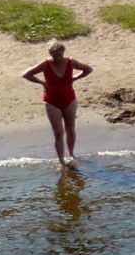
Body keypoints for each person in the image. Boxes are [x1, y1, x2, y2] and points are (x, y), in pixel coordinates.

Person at [23, 40, 92, 171]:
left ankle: (71, 154)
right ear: (50, 54)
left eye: (59, 55)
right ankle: (61, 161)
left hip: (69, 99)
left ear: (63, 52)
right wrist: (42, 83)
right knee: (58, 133)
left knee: (70, 128)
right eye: (54, 56)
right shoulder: (46, 64)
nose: (57, 58)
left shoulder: (71, 62)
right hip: (51, 101)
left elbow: (88, 69)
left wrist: (76, 78)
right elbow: (26, 74)